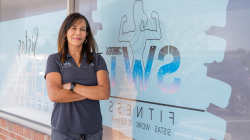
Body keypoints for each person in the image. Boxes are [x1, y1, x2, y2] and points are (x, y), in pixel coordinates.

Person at [44, 12, 110, 140]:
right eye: (73, 28)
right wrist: (92, 92)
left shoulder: (97, 60)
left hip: (93, 131)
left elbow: (105, 93)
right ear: (65, 33)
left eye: (82, 29)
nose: (78, 33)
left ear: (86, 35)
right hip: (64, 131)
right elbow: (54, 95)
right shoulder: (54, 60)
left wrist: (72, 86)